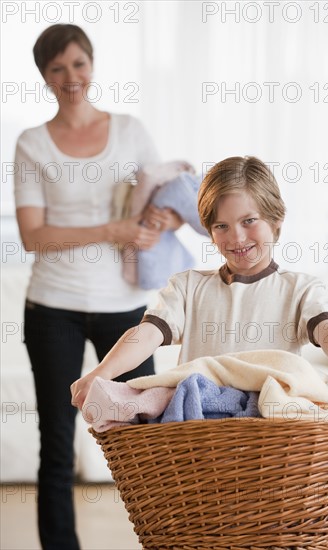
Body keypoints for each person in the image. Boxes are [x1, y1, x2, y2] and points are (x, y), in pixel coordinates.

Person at [14, 24, 183, 550]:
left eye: (79, 64)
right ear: (44, 75)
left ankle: (166, 539)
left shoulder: (131, 130)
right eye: (58, 68)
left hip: (126, 311)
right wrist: (112, 230)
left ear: (93, 65)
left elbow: (173, 203)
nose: (71, 77)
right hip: (53, 309)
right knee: (57, 447)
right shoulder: (31, 143)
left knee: (147, 435)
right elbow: (32, 235)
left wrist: (158, 222)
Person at [71, 155, 328, 414]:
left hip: (270, 432)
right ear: (209, 232)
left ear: (276, 221)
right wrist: (102, 373)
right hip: (202, 436)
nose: (236, 237)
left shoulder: (300, 289)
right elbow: (147, 334)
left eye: (249, 221)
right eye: (222, 226)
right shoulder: (188, 286)